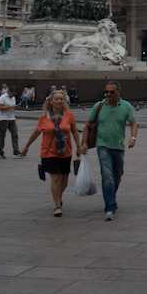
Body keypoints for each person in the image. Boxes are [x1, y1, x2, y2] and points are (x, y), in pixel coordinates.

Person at [20, 90, 82, 217]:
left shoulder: (69, 115)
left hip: (65, 151)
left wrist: (78, 146)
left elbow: (74, 132)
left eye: (61, 99)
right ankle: (57, 205)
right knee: (56, 177)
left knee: (64, 178)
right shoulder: (44, 116)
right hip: (49, 151)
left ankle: (58, 195)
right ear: (51, 101)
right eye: (56, 99)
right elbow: (37, 132)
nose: (59, 101)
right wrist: (27, 145)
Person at [85, 81, 137, 221]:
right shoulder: (99, 106)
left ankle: (111, 196)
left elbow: (133, 123)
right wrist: (83, 143)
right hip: (103, 146)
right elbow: (88, 124)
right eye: (106, 92)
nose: (108, 94)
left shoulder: (125, 106)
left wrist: (133, 137)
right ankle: (109, 207)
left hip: (119, 147)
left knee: (117, 176)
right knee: (107, 176)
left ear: (118, 93)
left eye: (111, 92)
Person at [0, 86, 22, 159]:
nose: (13, 96)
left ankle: (16, 151)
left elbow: (12, 107)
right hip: (3, 119)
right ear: (9, 92)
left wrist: (15, 107)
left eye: (14, 94)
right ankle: (0, 152)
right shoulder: (3, 97)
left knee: (15, 134)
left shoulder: (13, 98)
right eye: (12, 94)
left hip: (11, 118)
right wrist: (10, 107)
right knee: (2, 136)